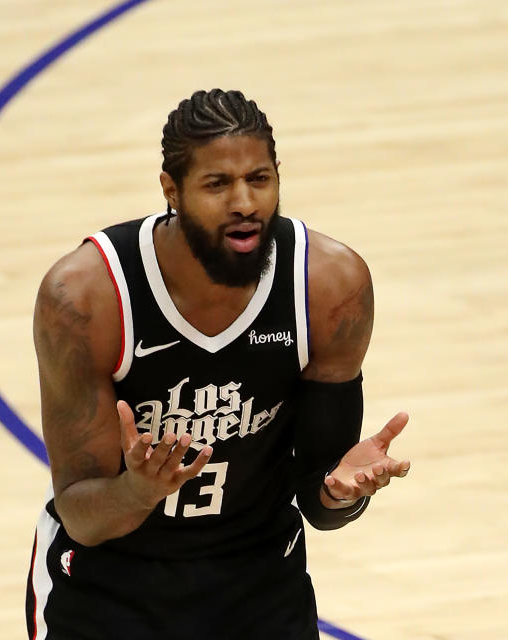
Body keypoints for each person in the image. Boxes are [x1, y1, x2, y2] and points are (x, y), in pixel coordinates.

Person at [25, 89, 411, 640]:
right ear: (171, 190)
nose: (245, 203)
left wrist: (339, 491)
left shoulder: (329, 286)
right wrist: (138, 489)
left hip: (258, 582)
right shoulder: (87, 297)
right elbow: (83, 515)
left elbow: (320, 501)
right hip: (107, 586)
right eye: (217, 184)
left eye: (259, 179)